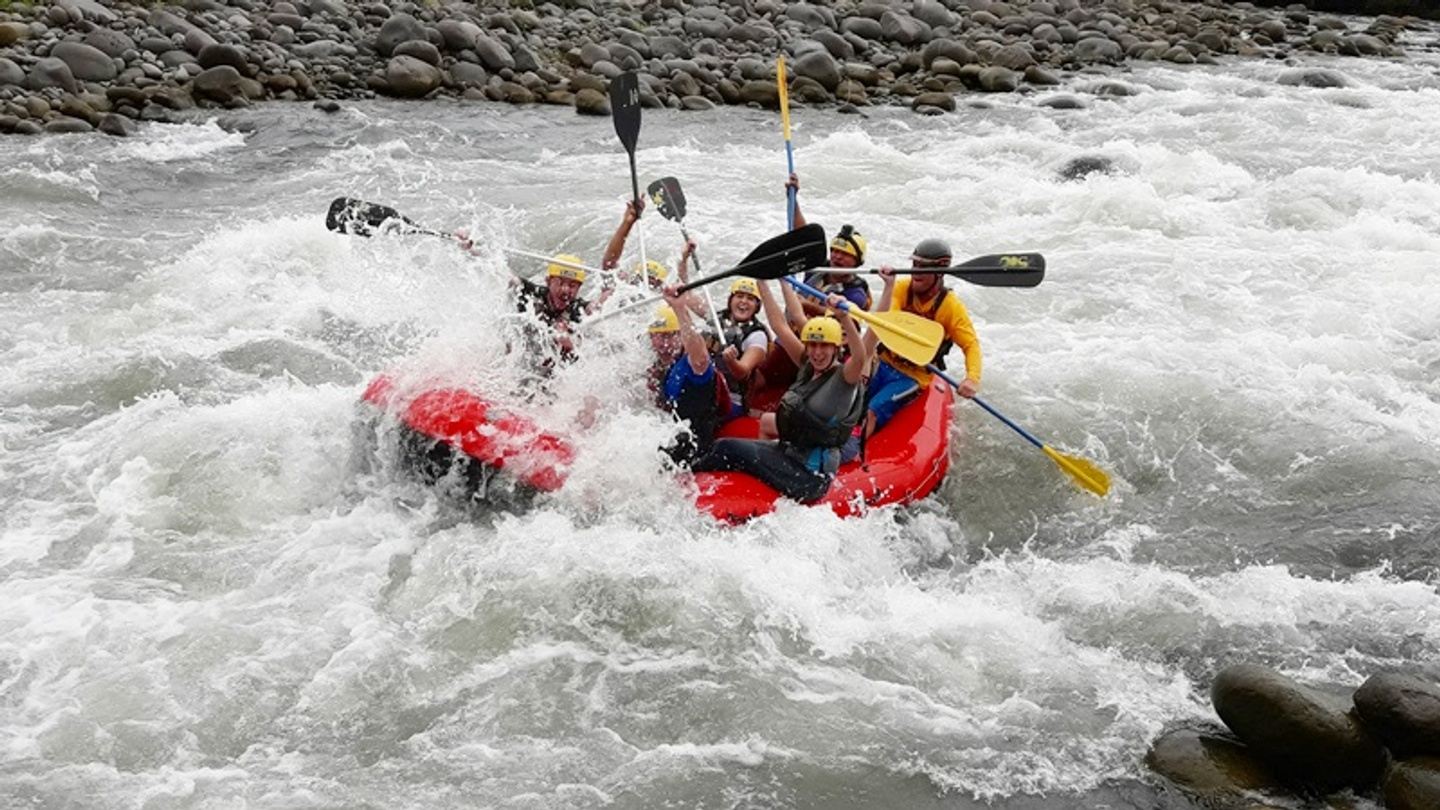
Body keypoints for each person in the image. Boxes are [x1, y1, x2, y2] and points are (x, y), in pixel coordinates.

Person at [690, 282, 869, 503]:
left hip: (808, 477)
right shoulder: (808, 365)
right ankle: (695, 481)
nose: (817, 352)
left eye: (824, 346)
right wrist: (763, 281)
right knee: (722, 445)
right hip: (788, 454)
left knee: (727, 447)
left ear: (836, 348)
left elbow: (860, 357)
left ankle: (687, 486)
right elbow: (779, 325)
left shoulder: (843, 378)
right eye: (812, 345)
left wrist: (844, 320)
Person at [863, 237, 981, 438]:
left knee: (873, 410)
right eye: (914, 265)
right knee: (851, 401)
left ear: (940, 272)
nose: (916, 272)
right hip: (882, 362)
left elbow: (971, 345)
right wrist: (888, 286)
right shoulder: (901, 287)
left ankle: (855, 454)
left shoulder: (950, 307)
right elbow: (887, 319)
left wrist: (972, 379)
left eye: (923, 267)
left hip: (912, 376)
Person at [647, 287, 732, 465]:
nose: (665, 344)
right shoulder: (654, 365)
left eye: (671, 336)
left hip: (693, 449)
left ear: (682, 337)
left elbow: (700, 355)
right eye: (658, 337)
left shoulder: (693, 365)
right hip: (666, 435)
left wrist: (679, 309)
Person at [786, 172, 872, 315]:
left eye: (845, 254)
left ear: (856, 261)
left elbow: (842, 319)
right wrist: (792, 198)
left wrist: (807, 306)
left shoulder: (856, 294)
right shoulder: (818, 268)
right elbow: (802, 235)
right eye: (835, 251)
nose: (837, 257)